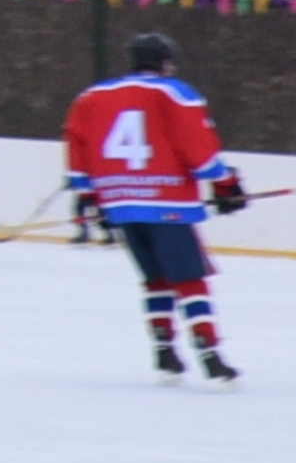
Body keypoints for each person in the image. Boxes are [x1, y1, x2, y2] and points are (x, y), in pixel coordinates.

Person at [61, 31, 244, 383]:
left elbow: (77, 146)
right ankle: (210, 353)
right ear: (164, 62)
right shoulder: (175, 92)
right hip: (167, 200)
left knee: (155, 278)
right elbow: (198, 147)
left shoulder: (91, 96)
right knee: (190, 279)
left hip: (119, 202)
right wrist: (224, 183)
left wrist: (88, 195)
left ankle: (164, 352)